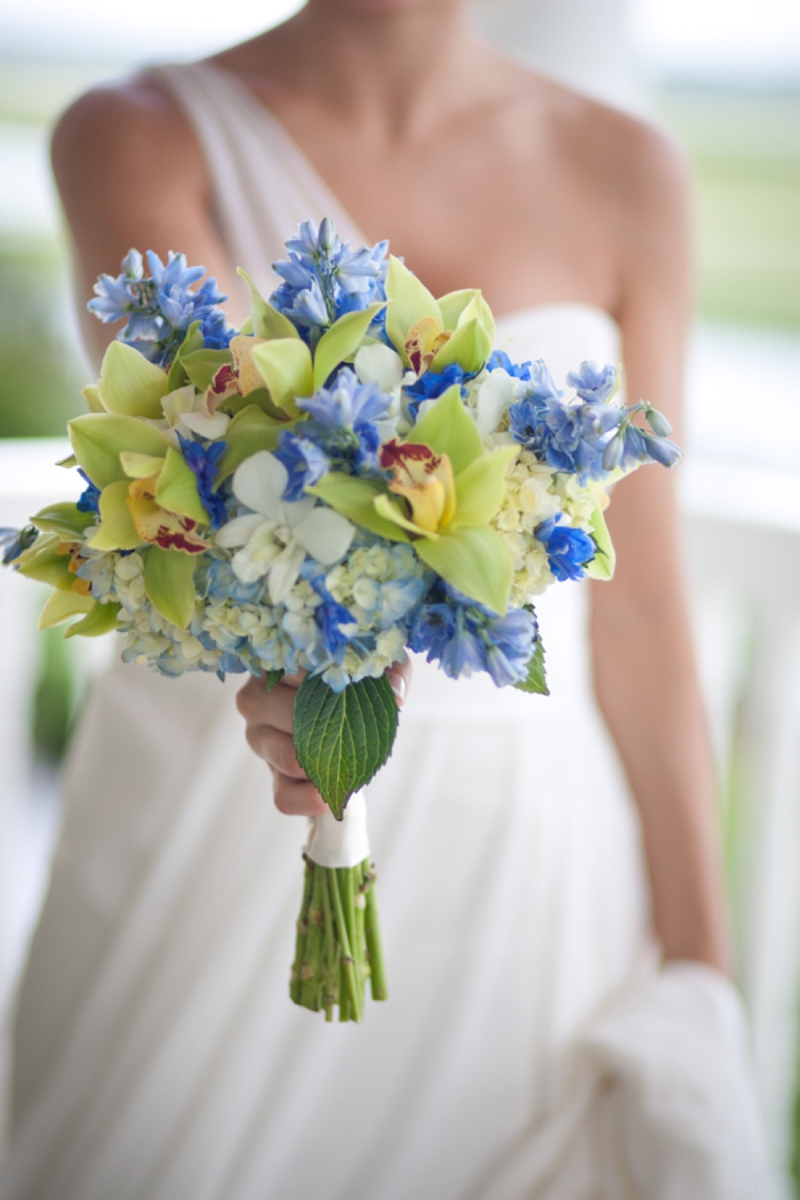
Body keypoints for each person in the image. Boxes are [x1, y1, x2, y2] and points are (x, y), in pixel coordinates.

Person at [0, 1, 777, 1197]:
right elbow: (201, 500)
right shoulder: (138, 133)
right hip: (225, 825)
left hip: (530, 856)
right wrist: (297, 695)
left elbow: (641, 608)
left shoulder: (629, 169)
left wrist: (698, 988)